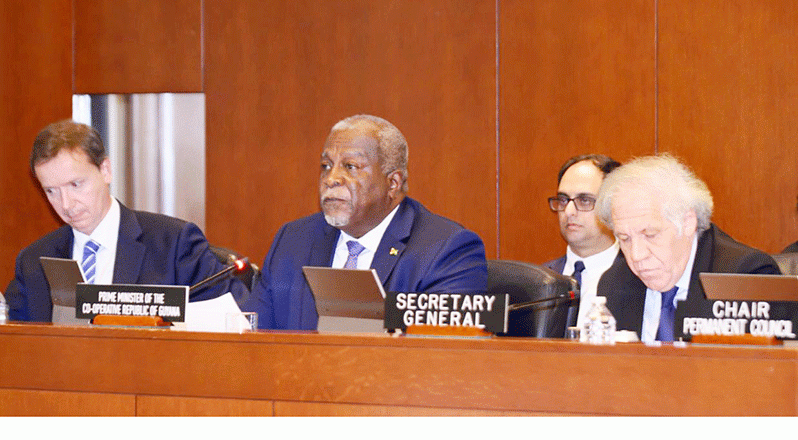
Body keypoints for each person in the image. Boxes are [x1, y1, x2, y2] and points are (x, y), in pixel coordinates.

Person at [243, 114, 487, 330]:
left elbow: (442, 359)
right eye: (326, 166)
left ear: (392, 183)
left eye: (350, 167)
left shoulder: (446, 249)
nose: (331, 179)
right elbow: (254, 339)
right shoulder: (294, 240)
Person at [4, 119, 248, 322]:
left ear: (106, 170)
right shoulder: (33, 260)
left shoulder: (173, 244)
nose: (66, 204)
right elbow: (16, 344)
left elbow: (234, 320)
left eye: (75, 185)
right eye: (51, 191)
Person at [595, 154, 781, 342]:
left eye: (650, 235)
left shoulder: (743, 277)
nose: (637, 255)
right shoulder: (615, 283)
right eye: (624, 239)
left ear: (687, 223)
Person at [542, 154, 622, 328]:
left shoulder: (636, 278)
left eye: (584, 200)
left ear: (613, 206)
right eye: (563, 200)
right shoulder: (540, 279)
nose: (569, 211)